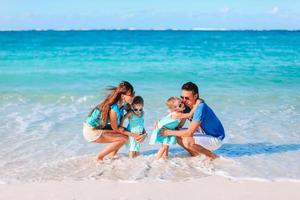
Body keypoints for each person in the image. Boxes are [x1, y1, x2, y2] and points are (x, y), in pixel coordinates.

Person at [83, 81, 146, 161]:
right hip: (91, 131)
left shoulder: (124, 104)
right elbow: (115, 128)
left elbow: (137, 118)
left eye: (133, 93)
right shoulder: (114, 108)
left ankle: (112, 156)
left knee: (125, 133)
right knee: (124, 138)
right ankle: (99, 157)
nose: (133, 96)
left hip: (100, 127)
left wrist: (143, 133)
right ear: (123, 96)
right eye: (131, 94)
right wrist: (134, 135)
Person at [161, 82, 225, 160]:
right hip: (203, 134)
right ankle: (195, 154)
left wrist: (168, 132)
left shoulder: (200, 108)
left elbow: (189, 133)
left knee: (187, 140)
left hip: (215, 138)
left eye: (187, 98)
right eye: (182, 97)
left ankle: (211, 156)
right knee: (176, 133)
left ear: (195, 96)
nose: (184, 101)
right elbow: (179, 126)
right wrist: (160, 123)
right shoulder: (186, 106)